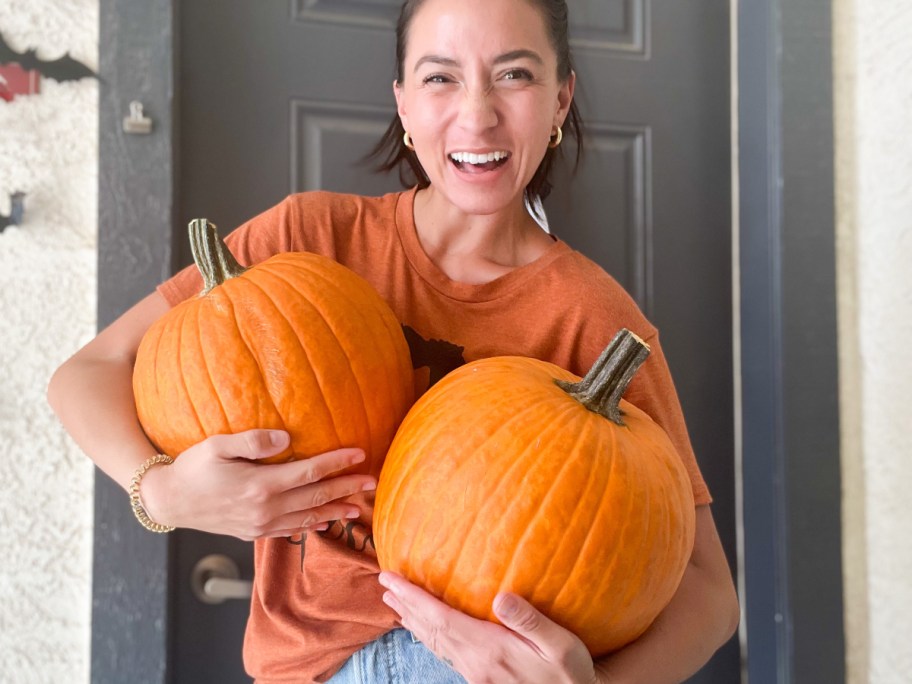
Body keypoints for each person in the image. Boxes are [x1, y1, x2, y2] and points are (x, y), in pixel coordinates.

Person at [48, 0, 740, 681]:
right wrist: (161, 492)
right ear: (404, 103)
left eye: (514, 75)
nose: (477, 113)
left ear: (561, 100)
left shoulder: (588, 315)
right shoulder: (307, 240)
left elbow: (708, 595)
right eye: (441, 77)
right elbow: (89, 371)